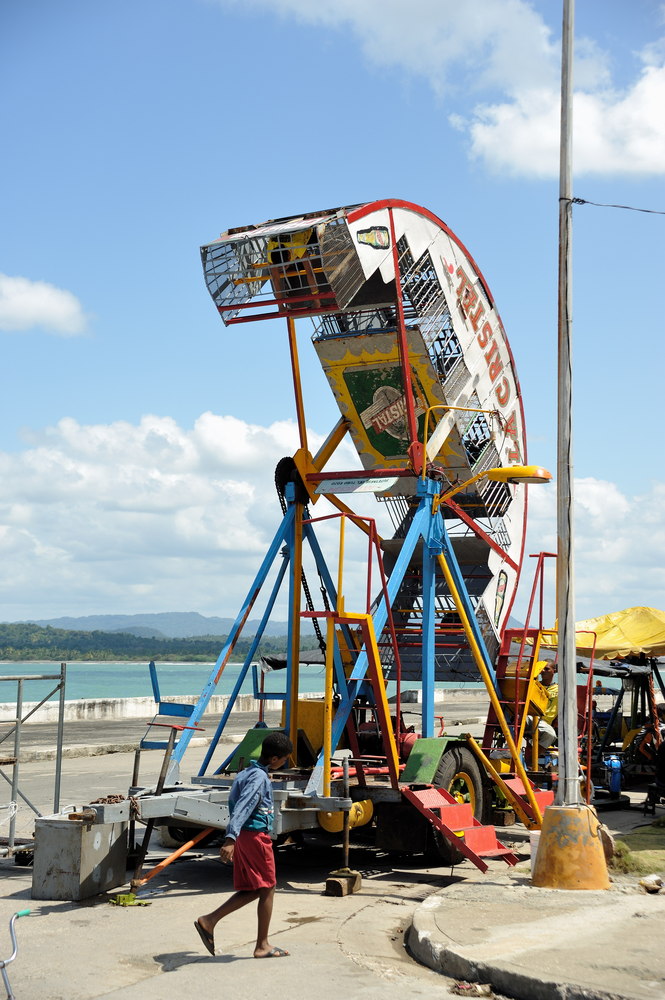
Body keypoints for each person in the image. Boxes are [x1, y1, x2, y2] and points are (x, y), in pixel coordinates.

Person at [194, 731, 293, 959]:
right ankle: (262, 945)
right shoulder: (258, 778)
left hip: (247, 836)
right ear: (275, 759)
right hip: (253, 836)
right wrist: (231, 838)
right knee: (268, 886)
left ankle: (209, 921)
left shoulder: (246, 773)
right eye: (285, 758)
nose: (285, 762)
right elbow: (244, 806)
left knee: (255, 887)